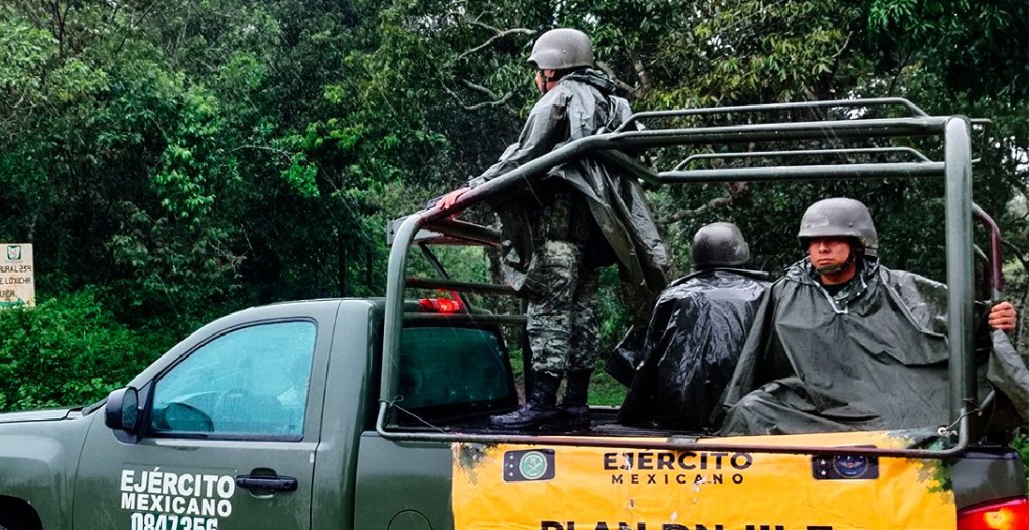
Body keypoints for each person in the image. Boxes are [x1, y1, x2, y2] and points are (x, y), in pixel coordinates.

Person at [437, 28, 672, 431]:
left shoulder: (559, 98)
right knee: (583, 315)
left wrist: (473, 189)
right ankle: (576, 405)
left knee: (547, 312)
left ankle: (543, 404)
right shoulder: (616, 104)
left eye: (537, 69)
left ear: (551, 68)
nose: (536, 77)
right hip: (597, 235)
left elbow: (524, 158)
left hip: (559, 234)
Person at [719, 197, 1022, 435]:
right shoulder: (784, 292)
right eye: (813, 241)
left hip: (888, 407)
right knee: (751, 410)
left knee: (934, 418)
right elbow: (754, 361)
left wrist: (996, 319)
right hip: (811, 407)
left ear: (857, 244)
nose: (821, 248)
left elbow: (966, 321)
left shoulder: (898, 287)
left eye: (833, 239)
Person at [616, 222, 770, 431]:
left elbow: (645, 360)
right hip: (749, 412)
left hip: (678, 414)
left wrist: (633, 411)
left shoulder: (672, 296)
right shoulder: (768, 293)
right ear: (742, 250)